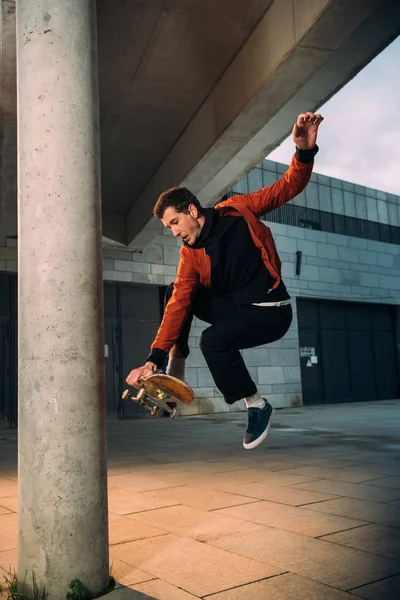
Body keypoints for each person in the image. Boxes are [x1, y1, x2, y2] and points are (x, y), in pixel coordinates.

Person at [126, 112, 323, 449]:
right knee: (180, 292)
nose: (174, 233)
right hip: (236, 310)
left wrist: (303, 152)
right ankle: (175, 371)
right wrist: (152, 359)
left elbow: (287, 187)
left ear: (191, 210)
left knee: (214, 341)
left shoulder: (239, 210)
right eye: (168, 228)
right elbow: (178, 306)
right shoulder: (190, 254)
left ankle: (257, 405)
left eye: (174, 223)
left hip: (271, 311)